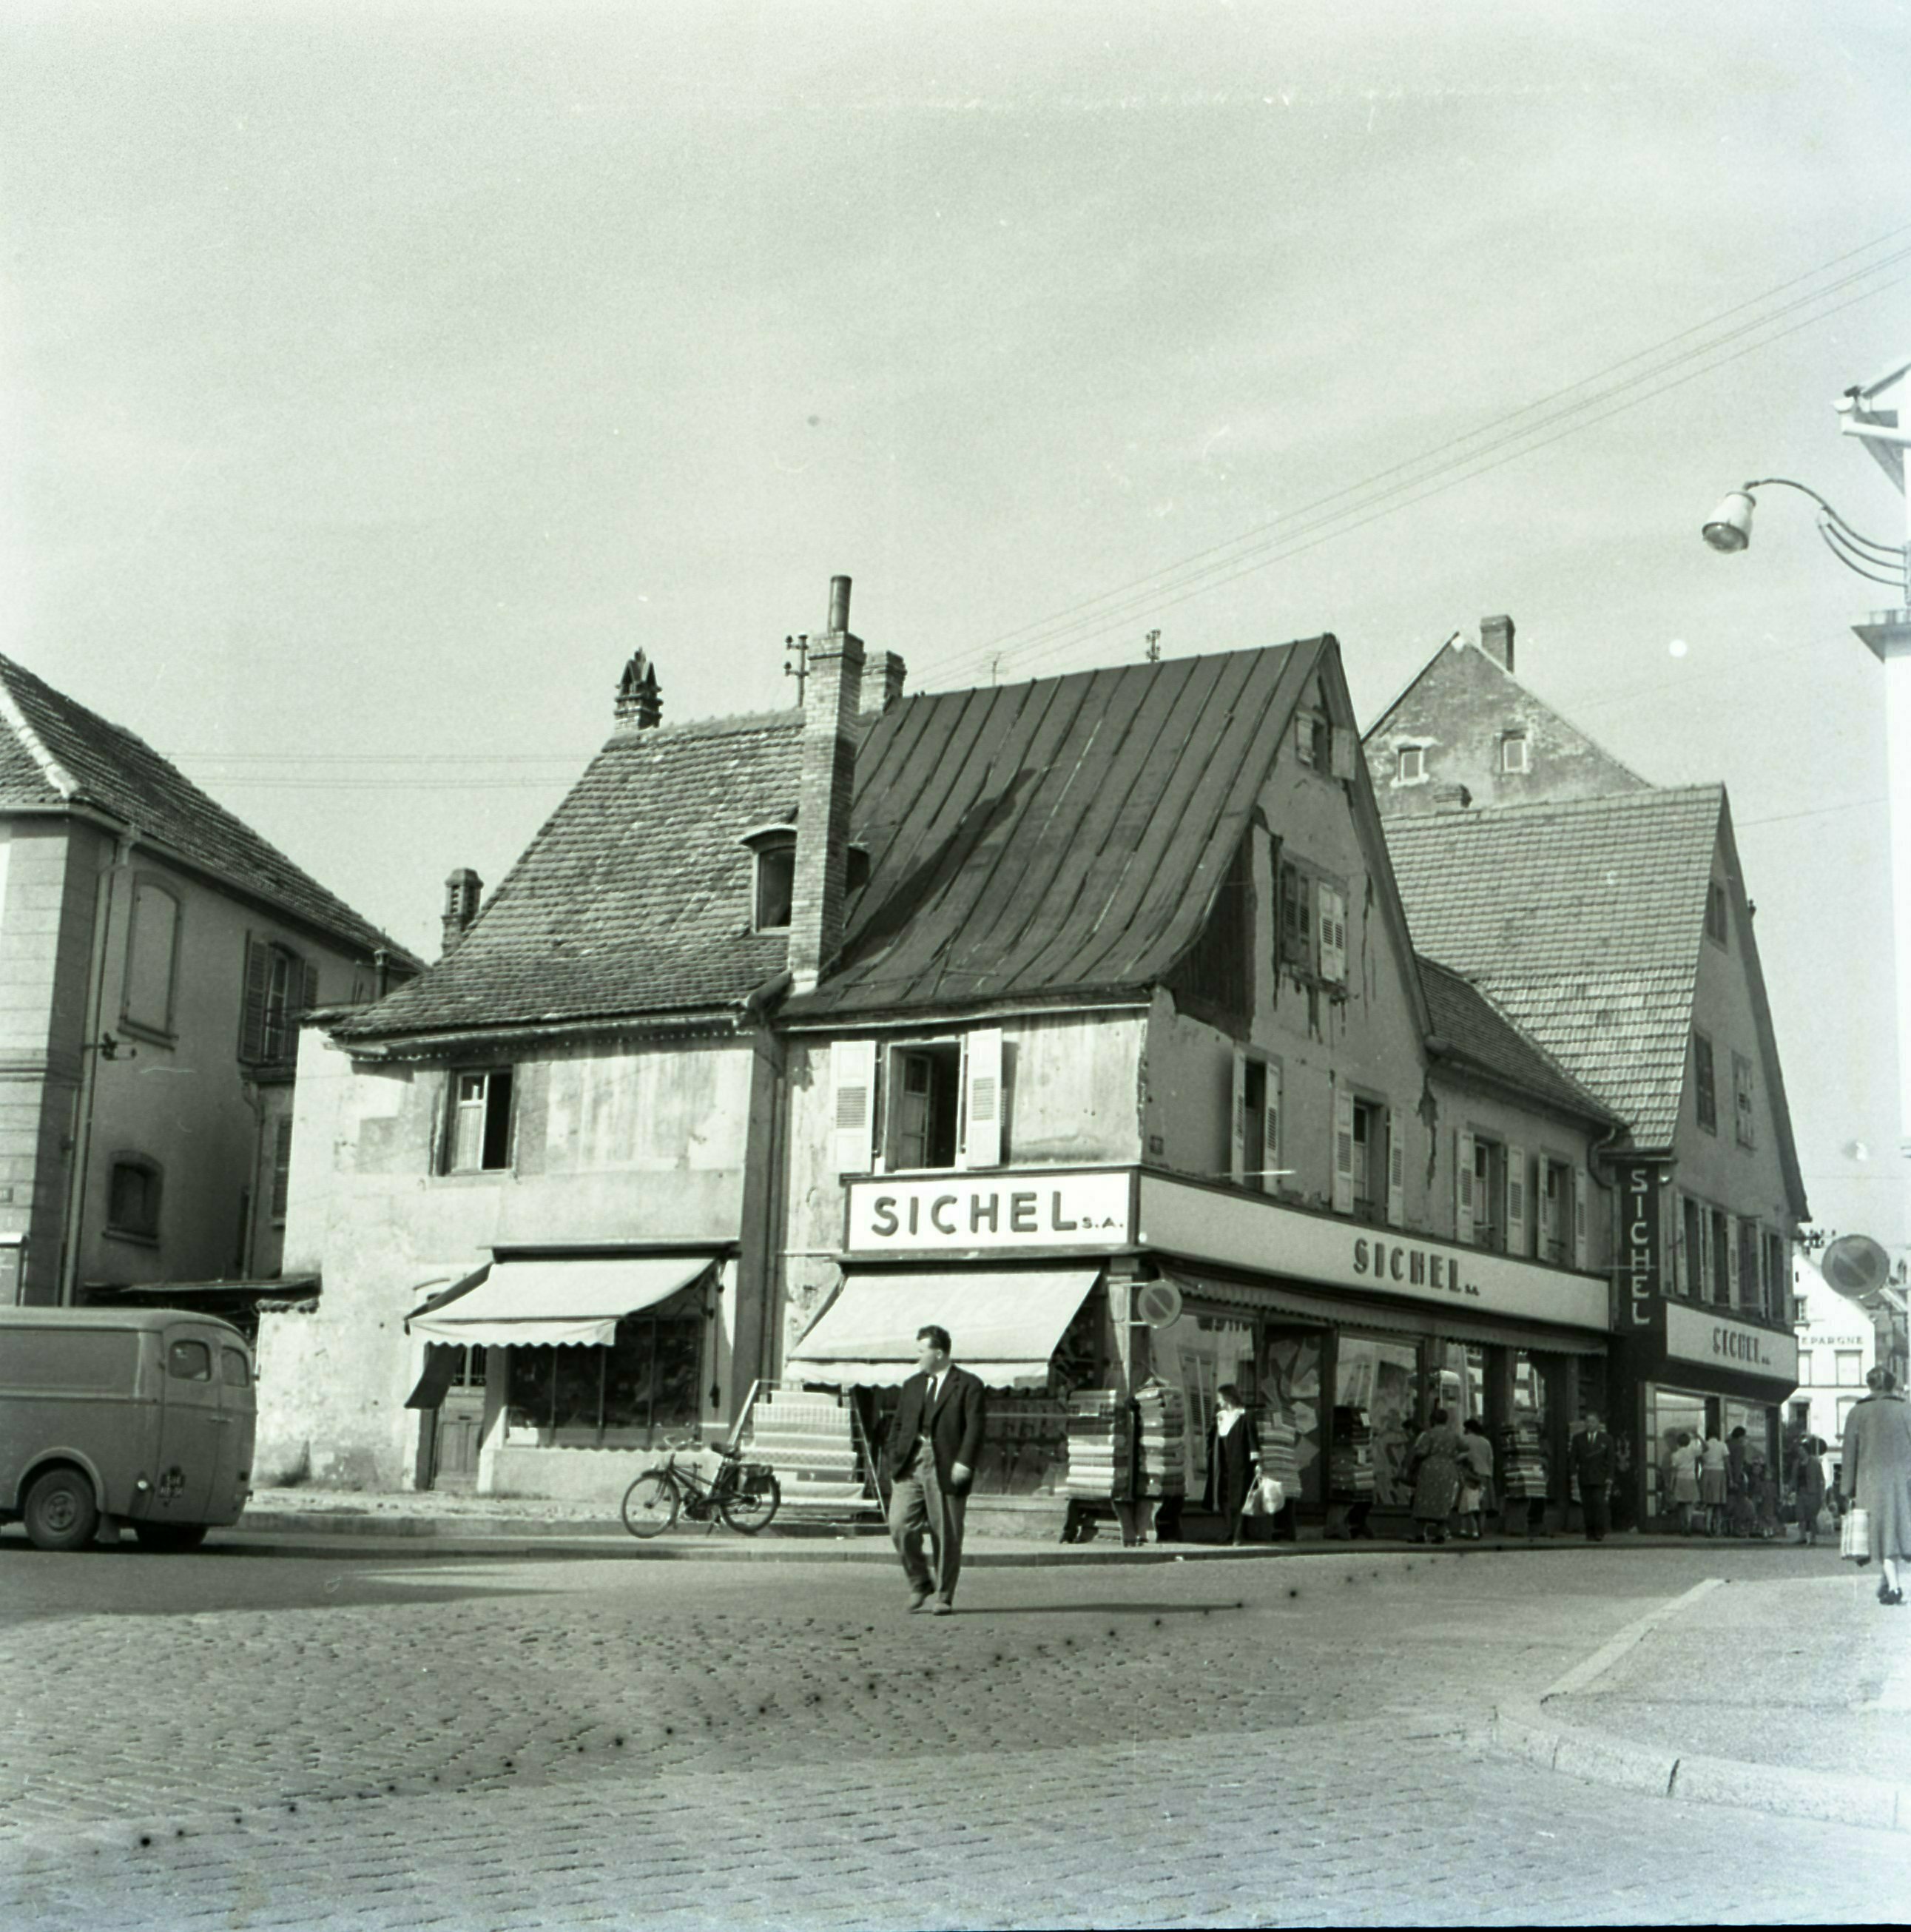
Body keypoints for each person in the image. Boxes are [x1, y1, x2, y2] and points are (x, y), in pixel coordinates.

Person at [882, 1325, 985, 1616]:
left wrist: (964, 1463)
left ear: (938, 1353)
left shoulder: (968, 1385)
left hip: (947, 1462)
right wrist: (894, 1455)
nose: (917, 1357)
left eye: (921, 1351)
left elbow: (975, 1428)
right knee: (899, 1524)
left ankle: (943, 1594)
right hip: (911, 1462)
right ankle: (919, 1582)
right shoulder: (912, 1385)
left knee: (947, 1533)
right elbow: (899, 1424)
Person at [1840, 1367, 1911, 1606]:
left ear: (1869, 1385)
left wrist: (1846, 1490)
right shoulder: (1906, 1410)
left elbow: (1849, 1455)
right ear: (1892, 1385)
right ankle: (1887, 1582)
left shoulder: (1857, 1412)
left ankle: (1894, 1587)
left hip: (1869, 1482)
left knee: (1880, 1534)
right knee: (1893, 1532)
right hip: (1903, 1481)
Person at [1204, 1384, 1261, 1545]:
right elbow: (1212, 1438)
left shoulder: (1245, 1416)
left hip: (1240, 1463)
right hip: (1221, 1463)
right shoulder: (1219, 1416)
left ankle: (1238, 1534)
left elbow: (1252, 1440)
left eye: (1220, 1398)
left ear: (1228, 1398)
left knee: (1240, 1498)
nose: (1219, 1401)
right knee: (1224, 1497)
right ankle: (1228, 1529)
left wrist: (1257, 1463)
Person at [1406, 1406, 1466, 1545]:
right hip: (1447, 1469)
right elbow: (1464, 1447)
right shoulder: (1453, 1435)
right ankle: (1440, 1534)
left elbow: (1421, 1452)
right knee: (1443, 1500)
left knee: (1424, 1500)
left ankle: (1421, 1534)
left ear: (1433, 1420)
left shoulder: (1429, 1434)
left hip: (1430, 1469)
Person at [1569, 1411, 1614, 1543]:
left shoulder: (1607, 1439)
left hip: (1600, 1476)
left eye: (1593, 1422)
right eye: (1587, 1422)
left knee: (1599, 1504)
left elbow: (1610, 1460)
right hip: (1584, 1476)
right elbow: (1573, 1458)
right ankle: (1589, 1532)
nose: (1590, 1424)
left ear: (1598, 1424)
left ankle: (1599, 1532)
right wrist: (1573, 1473)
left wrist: (1610, 1476)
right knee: (1587, 1506)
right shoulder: (1578, 1438)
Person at [1456, 1416, 1494, 1540]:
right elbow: (1490, 1460)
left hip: (1469, 1475)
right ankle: (1481, 1530)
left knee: (1468, 1506)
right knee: (1482, 1507)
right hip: (1485, 1475)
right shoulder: (1486, 1442)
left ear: (1468, 1429)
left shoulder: (1464, 1440)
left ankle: (1469, 1530)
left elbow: (1458, 1457)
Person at [1792, 1435, 1828, 1546]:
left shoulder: (1815, 1463)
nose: (1800, 1452)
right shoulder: (1797, 1463)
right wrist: (1790, 1490)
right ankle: (1802, 1536)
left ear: (1807, 1451)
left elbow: (1821, 1479)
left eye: (1802, 1450)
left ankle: (1813, 1538)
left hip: (1813, 1493)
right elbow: (1793, 1478)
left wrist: (1822, 1495)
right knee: (1800, 1516)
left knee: (1812, 1517)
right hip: (1800, 1491)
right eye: (1799, 1450)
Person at [1668, 1431, 1701, 1533]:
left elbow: (1674, 1471)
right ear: (1688, 1442)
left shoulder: (1675, 1455)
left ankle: (1683, 1526)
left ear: (1678, 1443)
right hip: (1691, 1478)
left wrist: (1671, 1484)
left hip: (1680, 1478)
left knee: (1681, 1504)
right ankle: (1689, 1523)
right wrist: (1699, 1437)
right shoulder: (1692, 1451)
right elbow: (1706, 1448)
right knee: (1689, 1504)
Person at [1698, 1430, 1728, 1536]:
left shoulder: (1703, 1446)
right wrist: (1730, 1477)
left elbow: (1700, 1461)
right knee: (1718, 1504)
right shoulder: (1722, 1445)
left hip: (1706, 1472)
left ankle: (1707, 1527)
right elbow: (1726, 1461)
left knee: (1709, 1504)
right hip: (1719, 1472)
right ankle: (1718, 1529)